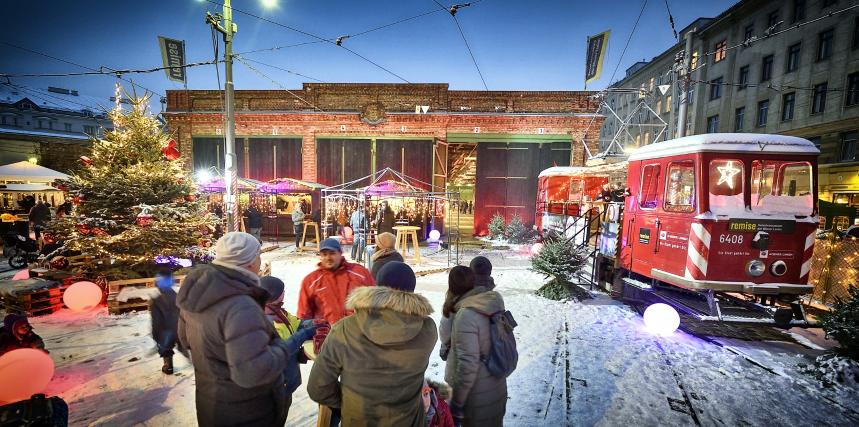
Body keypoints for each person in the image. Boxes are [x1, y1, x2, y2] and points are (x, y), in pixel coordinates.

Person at [177, 232, 313, 426]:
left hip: (211, 404)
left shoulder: (198, 292)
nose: (260, 260)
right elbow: (253, 372)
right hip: (247, 412)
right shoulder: (241, 306)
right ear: (249, 261)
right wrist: (289, 345)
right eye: (258, 255)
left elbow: (185, 340)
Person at [307, 261, 437, 427]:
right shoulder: (427, 330)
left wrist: (349, 404)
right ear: (412, 292)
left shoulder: (345, 329)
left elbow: (318, 387)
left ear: (377, 287)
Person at [441, 266, 507, 427]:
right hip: (496, 385)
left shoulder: (465, 315)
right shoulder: (490, 301)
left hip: (475, 396)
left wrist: (456, 403)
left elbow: (467, 365)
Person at [260, 275, 318, 420]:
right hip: (276, 386)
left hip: (288, 379)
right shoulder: (261, 324)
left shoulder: (279, 313)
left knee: (284, 412)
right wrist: (304, 334)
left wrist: (314, 323)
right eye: (281, 292)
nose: (284, 294)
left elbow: (297, 324)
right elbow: (280, 350)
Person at [297, 238, 375, 325]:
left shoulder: (359, 273)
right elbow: (303, 315)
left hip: (357, 331)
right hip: (327, 334)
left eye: (332, 253)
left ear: (340, 253)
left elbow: (375, 301)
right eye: (324, 254)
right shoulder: (311, 281)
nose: (328, 258)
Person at [150, 268, 181, 374]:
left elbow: (157, 319)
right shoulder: (175, 295)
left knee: (165, 347)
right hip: (177, 327)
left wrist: (155, 333)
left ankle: (168, 366)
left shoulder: (157, 299)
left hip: (165, 330)